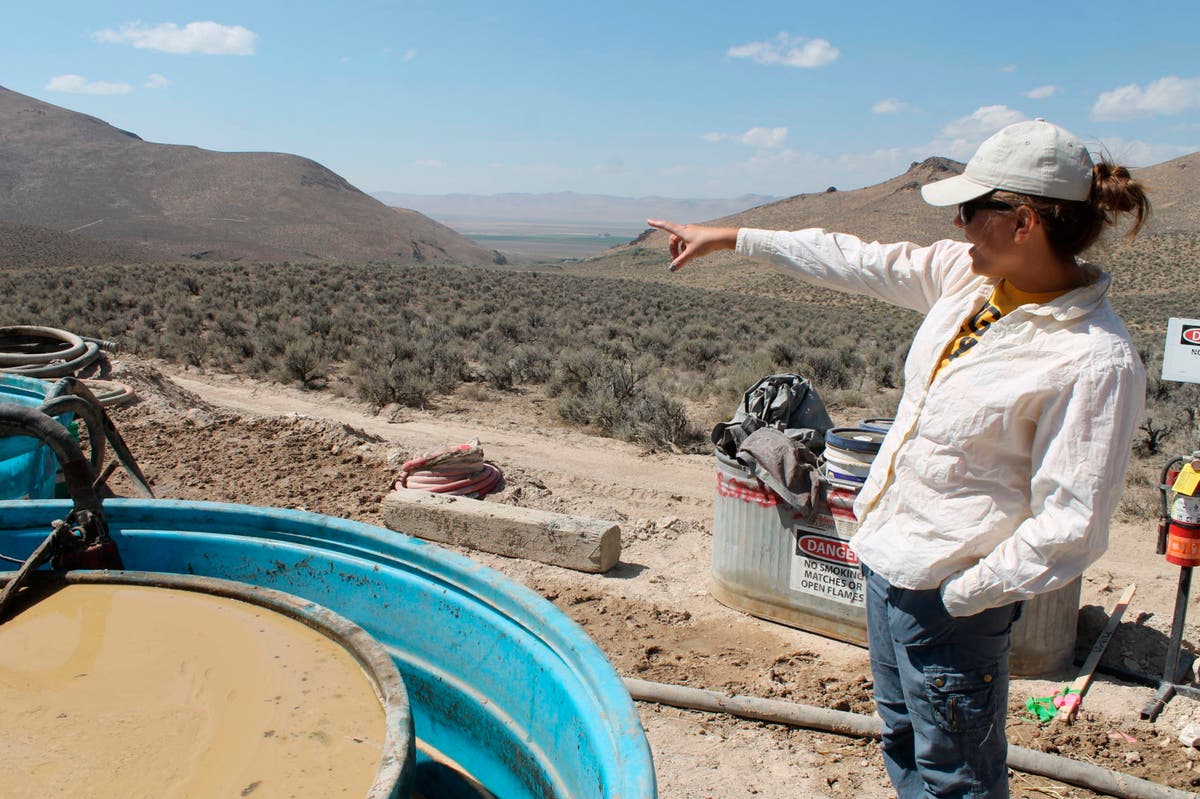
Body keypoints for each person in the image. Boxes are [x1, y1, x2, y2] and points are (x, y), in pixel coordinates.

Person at [648, 119, 1150, 799]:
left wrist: (959, 596)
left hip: (950, 600)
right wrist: (734, 237)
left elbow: (1072, 525)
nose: (959, 222)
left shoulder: (1092, 356)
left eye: (974, 209)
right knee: (903, 741)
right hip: (886, 564)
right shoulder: (970, 282)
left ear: (1025, 221)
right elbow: (854, 256)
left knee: (958, 779)